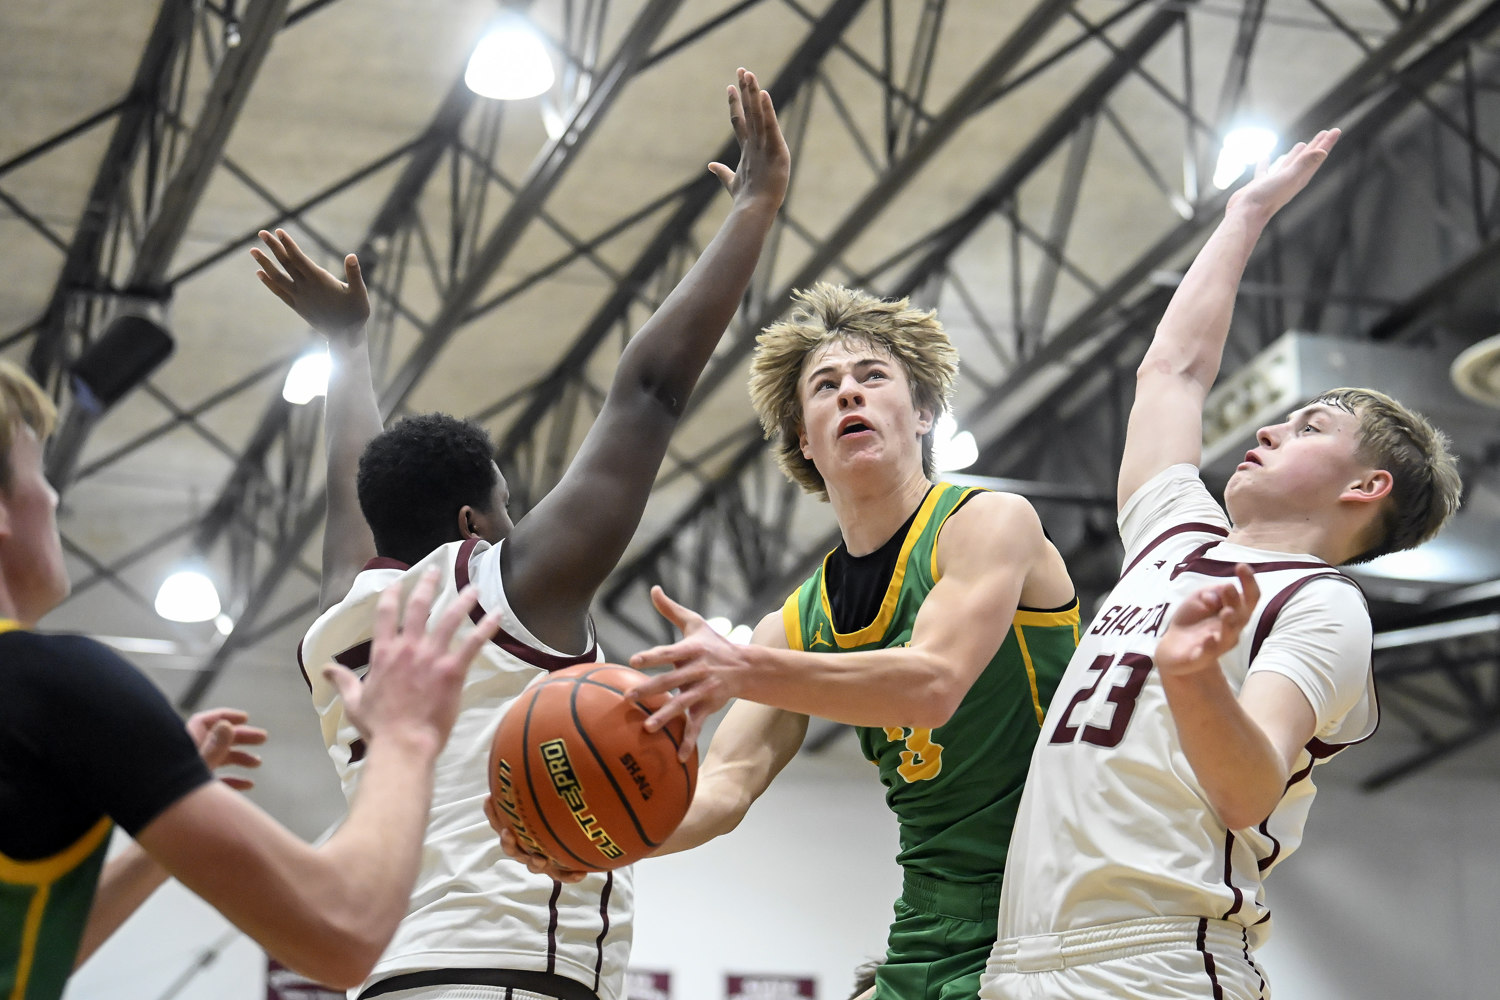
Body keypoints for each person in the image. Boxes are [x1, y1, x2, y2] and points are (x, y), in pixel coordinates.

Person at [252, 68, 789, 1000]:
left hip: (390, 976)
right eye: (508, 507)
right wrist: (755, 206)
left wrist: (346, 349)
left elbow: (357, 492)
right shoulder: (502, 588)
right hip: (507, 973)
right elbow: (650, 394)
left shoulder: (341, 623)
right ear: (471, 523)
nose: (521, 528)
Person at [977, 129, 1462, 999]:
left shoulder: (1324, 606)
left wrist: (1195, 679)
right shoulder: (1173, 538)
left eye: (1311, 426)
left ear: (1369, 485)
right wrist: (1245, 213)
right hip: (1025, 955)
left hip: (1155, 959)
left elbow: (1248, 788)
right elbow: (1171, 372)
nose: (1270, 428)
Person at [616, 282, 1080, 1000]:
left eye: (872, 378)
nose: (849, 396)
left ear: (923, 413)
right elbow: (726, 787)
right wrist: (606, 837)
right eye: (825, 387)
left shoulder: (988, 522)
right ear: (804, 436)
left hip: (1054, 903)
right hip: (931, 915)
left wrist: (742, 668)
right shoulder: (796, 627)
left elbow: (932, 684)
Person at [0, 357, 504, 999]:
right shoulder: (55, 685)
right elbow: (343, 932)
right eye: (36, 472)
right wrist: (404, 737)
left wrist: (166, 820)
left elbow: (28, 952)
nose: (52, 495)